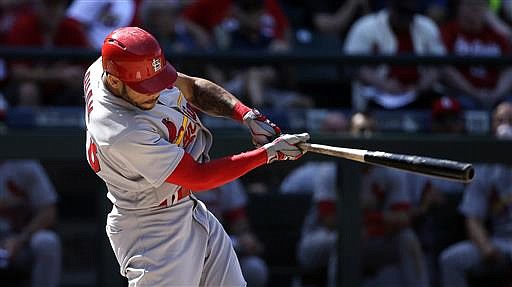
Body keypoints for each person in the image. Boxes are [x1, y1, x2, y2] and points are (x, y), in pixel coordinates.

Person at [83, 26, 309, 286]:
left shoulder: (109, 65)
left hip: (185, 208)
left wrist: (245, 115)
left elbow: (191, 88)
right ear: (114, 82)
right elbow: (199, 177)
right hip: (152, 229)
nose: (155, 92)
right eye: (145, 87)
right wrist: (266, 155)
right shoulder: (119, 130)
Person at [439, 101, 512, 287]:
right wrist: (486, 248)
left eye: (510, 121)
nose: (505, 127)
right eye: (500, 121)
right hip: (501, 242)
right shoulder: (485, 168)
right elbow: (473, 218)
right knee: (451, 260)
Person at [344, 0, 445, 111]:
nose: (404, 18)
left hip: (419, 95)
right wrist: (382, 84)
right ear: (391, 8)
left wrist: (421, 86)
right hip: (377, 97)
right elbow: (354, 65)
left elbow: (439, 64)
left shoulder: (427, 26)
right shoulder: (366, 26)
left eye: (408, 13)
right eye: (401, 12)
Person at [195, 179, 268, 287]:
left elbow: (238, 221)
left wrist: (245, 237)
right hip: (185, 242)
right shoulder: (172, 170)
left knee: (255, 269)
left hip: (219, 241)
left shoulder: (225, 171)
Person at [441, 0, 512, 109]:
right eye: (470, 4)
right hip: (460, 93)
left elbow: (508, 68)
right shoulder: (448, 31)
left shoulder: (496, 34)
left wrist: (496, 93)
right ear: (459, 7)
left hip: (496, 94)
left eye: (479, 4)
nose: (474, 8)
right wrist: (474, 93)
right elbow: (445, 68)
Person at [0, 160, 61, 287]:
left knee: (47, 242)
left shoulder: (24, 165)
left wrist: (21, 239)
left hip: (20, 238)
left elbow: (49, 212)